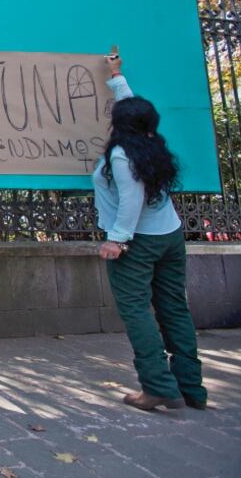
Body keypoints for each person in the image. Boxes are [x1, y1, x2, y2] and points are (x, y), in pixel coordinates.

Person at [94, 53, 206, 411]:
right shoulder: (150, 142)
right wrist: (117, 76)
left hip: (137, 244)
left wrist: (117, 240)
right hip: (169, 235)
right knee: (174, 308)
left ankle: (158, 386)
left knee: (137, 312)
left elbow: (132, 198)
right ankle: (192, 388)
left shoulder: (122, 155)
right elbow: (132, 108)